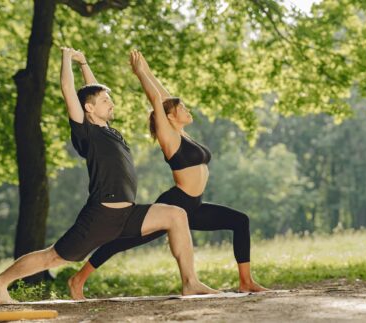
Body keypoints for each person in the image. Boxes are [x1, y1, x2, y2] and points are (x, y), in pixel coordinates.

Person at [0, 48, 217, 304]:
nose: (112, 103)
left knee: (177, 215)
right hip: (102, 215)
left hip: (127, 213)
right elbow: (68, 90)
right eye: (106, 101)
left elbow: (92, 90)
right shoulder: (87, 133)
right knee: (54, 256)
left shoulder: (107, 129)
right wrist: (66, 58)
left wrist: (84, 62)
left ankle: (190, 282)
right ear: (89, 108)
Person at [67, 50, 267, 300]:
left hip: (195, 205)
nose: (186, 109)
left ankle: (245, 281)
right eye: (181, 107)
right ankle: (78, 279)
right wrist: (140, 75)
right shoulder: (168, 135)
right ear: (170, 116)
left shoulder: (182, 133)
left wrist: (146, 68)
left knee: (240, 221)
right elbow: (155, 98)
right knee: (122, 240)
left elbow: (163, 96)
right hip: (176, 203)